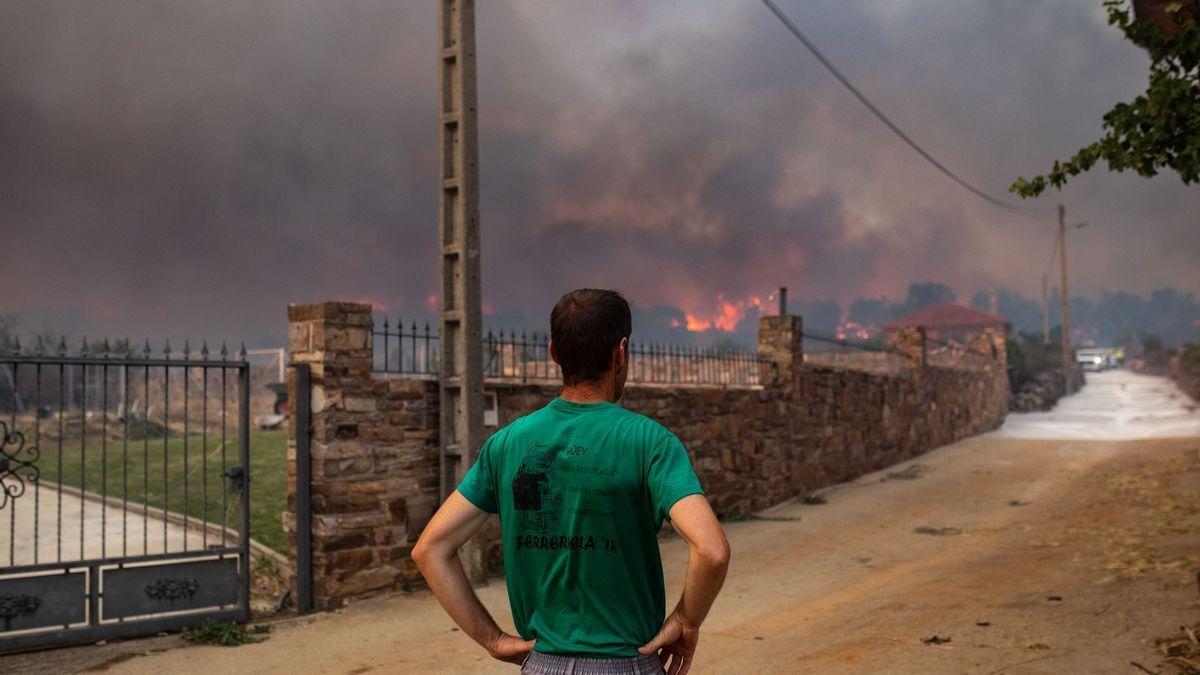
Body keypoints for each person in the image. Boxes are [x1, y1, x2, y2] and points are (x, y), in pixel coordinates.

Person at [413, 289, 731, 675]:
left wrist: (493, 640)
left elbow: (429, 550)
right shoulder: (651, 443)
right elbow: (711, 550)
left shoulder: (507, 445)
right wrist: (685, 619)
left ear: (554, 353)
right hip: (628, 663)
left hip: (541, 664)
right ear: (622, 352)